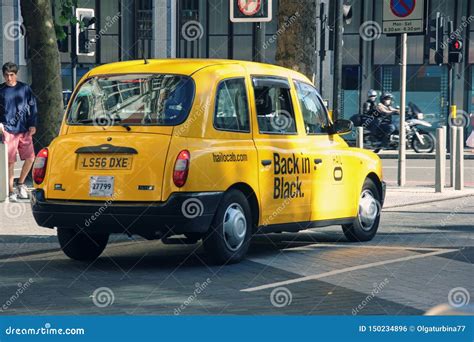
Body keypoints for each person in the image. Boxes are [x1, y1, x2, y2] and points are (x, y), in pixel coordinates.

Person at [0, 62, 37, 202]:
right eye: (6, 75)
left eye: (11, 75)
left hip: (24, 129)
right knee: (10, 162)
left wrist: (33, 124)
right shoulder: (1, 90)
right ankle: (10, 192)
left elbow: (32, 106)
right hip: (7, 129)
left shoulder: (25, 88)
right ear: (3, 75)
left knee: (30, 158)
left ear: (16, 74)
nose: (9, 78)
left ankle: (20, 183)